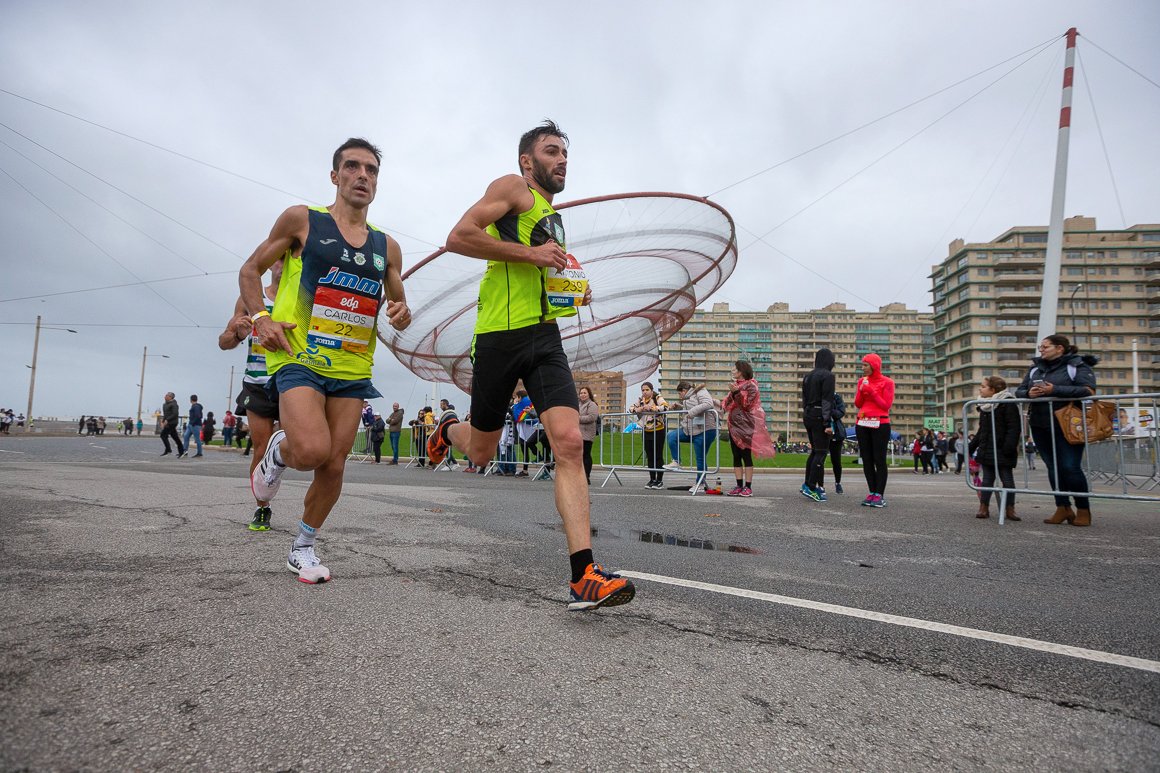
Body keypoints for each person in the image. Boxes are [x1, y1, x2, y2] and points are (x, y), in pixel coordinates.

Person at [425, 120, 633, 611]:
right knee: (481, 452)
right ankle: (449, 429)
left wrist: (571, 286)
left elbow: (541, 268)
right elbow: (458, 237)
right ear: (527, 160)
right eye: (552, 151)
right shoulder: (512, 188)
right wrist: (532, 254)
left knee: (569, 443)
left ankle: (583, 575)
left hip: (544, 339)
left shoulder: (553, 216)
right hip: (498, 335)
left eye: (565, 153)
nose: (562, 160)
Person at [240, 137, 411, 582]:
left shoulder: (387, 247)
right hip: (298, 355)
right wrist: (260, 318)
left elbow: (399, 305)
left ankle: (303, 546)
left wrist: (402, 313)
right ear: (335, 176)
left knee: (334, 464)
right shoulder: (303, 221)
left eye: (371, 170)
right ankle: (279, 450)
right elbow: (249, 270)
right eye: (352, 167)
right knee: (312, 450)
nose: (362, 176)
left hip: (352, 366)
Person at [219, 257, 286, 530]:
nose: (283, 264)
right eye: (279, 259)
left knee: (296, 446)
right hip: (256, 382)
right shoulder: (251, 298)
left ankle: (277, 461)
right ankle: (262, 507)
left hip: (289, 380)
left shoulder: (301, 298)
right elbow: (223, 342)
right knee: (261, 448)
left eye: (290, 258)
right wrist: (237, 334)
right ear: (270, 265)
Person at [1015, 334, 1097, 527]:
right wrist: (1029, 393)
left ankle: (1083, 509)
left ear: (1060, 348)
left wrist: (1054, 390)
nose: (1041, 350)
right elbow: (1019, 390)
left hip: (1068, 424)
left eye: (1045, 347)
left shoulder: (1076, 365)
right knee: (1053, 467)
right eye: (1040, 347)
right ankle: (1062, 506)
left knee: (1070, 467)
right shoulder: (1035, 368)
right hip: (1040, 423)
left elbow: (1088, 390)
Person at [969, 376, 1021, 521]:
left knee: (1007, 480)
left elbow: (1013, 428)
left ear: (993, 389)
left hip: (1003, 449)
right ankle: (983, 507)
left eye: (983, 386)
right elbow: (982, 430)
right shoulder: (984, 405)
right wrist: (971, 446)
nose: (980, 389)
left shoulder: (1007, 403)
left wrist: (1008, 448)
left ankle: (1010, 508)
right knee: (987, 480)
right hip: (987, 449)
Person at [723, 360, 774, 497]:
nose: (732, 371)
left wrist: (736, 392)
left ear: (741, 371)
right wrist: (729, 396)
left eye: (735, 369)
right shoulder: (736, 385)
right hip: (733, 426)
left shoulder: (751, 386)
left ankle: (748, 487)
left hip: (746, 426)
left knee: (746, 455)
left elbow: (746, 405)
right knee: (736, 456)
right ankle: (739, 485)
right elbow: (726, 404)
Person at [854, 353, 895, 508]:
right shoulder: (861, 381)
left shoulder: (887, 382)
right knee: (867, 459)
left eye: (865, 365)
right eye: (862, 365)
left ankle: (879, 494)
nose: (863, 368)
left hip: (880, 423)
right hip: (862, 422)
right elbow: (858, 403)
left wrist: (871, 391)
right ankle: (872, 491)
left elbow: (886, 405)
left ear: (874, 366)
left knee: (879, 459)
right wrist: (861, 389)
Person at [664, 381, 719, 484]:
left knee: (700, 457)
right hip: (691, 430)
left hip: (706, 430)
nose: (679, 396)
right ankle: (676, 461)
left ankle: (700, 483)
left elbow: (708, 404)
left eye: (679, 393)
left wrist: (692, 412)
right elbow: (692, 409)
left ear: (684, 390)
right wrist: (680, 407)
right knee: (671, 436)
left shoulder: (700, 391)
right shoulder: (688, 398)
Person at [801, 348, 836, 502]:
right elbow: (827, 400)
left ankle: (807, 483)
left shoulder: (808, 376)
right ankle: (811, 487)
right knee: (821, 452)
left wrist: (807, 412)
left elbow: (804, 398)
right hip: (820, 414)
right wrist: (827, 423)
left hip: (808, 414)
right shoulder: (828, 376)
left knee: (815, 451)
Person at [630, 382, 668, 489]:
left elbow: (665, 407)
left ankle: (659, 480)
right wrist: (638, 409)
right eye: (643, 390)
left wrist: (653, 408)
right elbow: (631, 408)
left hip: (658, 430)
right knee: (649, 456)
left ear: (651, 390)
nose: (645, 392)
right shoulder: (640, 400)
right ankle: (652, 479)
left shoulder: (657, 397)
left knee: (658, 455)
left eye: (647, 390)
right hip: (646, 430)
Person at [818, 392, 847, 494]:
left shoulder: (836, 397)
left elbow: (841, 412)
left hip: (836, 433)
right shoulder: (818, 396)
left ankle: (838, 482)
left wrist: (828, 410)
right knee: (820, 460)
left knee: (836, 461)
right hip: (821, 432)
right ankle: (820, 485)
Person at [159, 392, 184, 457]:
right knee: (175, 437)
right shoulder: (164, 404)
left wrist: (167, 420)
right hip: (167, 423)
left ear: (170, 397)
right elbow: (165, 414)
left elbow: (175, 414)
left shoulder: (174, 404)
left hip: (172, 423)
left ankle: (168, 450)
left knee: (163, 435)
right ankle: (181, 451)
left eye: (166, 395)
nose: (165, 396)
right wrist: (163, 421)